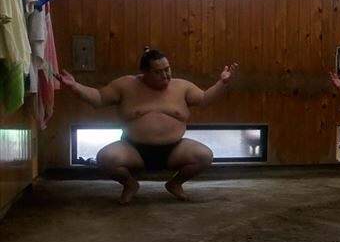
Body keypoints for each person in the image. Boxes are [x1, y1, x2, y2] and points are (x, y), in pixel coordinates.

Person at [57, 49, 238, 204]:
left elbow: (205, 99)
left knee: (204, 156)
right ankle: (129, 184)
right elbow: (98, 98)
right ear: (144, 72)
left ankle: (175, 184)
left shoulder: (182, 87)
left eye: (167, 69)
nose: (165, 75)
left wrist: (222, 84)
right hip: (133, 148)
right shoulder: (126, 85)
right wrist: (75, 86)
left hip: (174, 148)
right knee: (105, 158)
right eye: (158, 72)